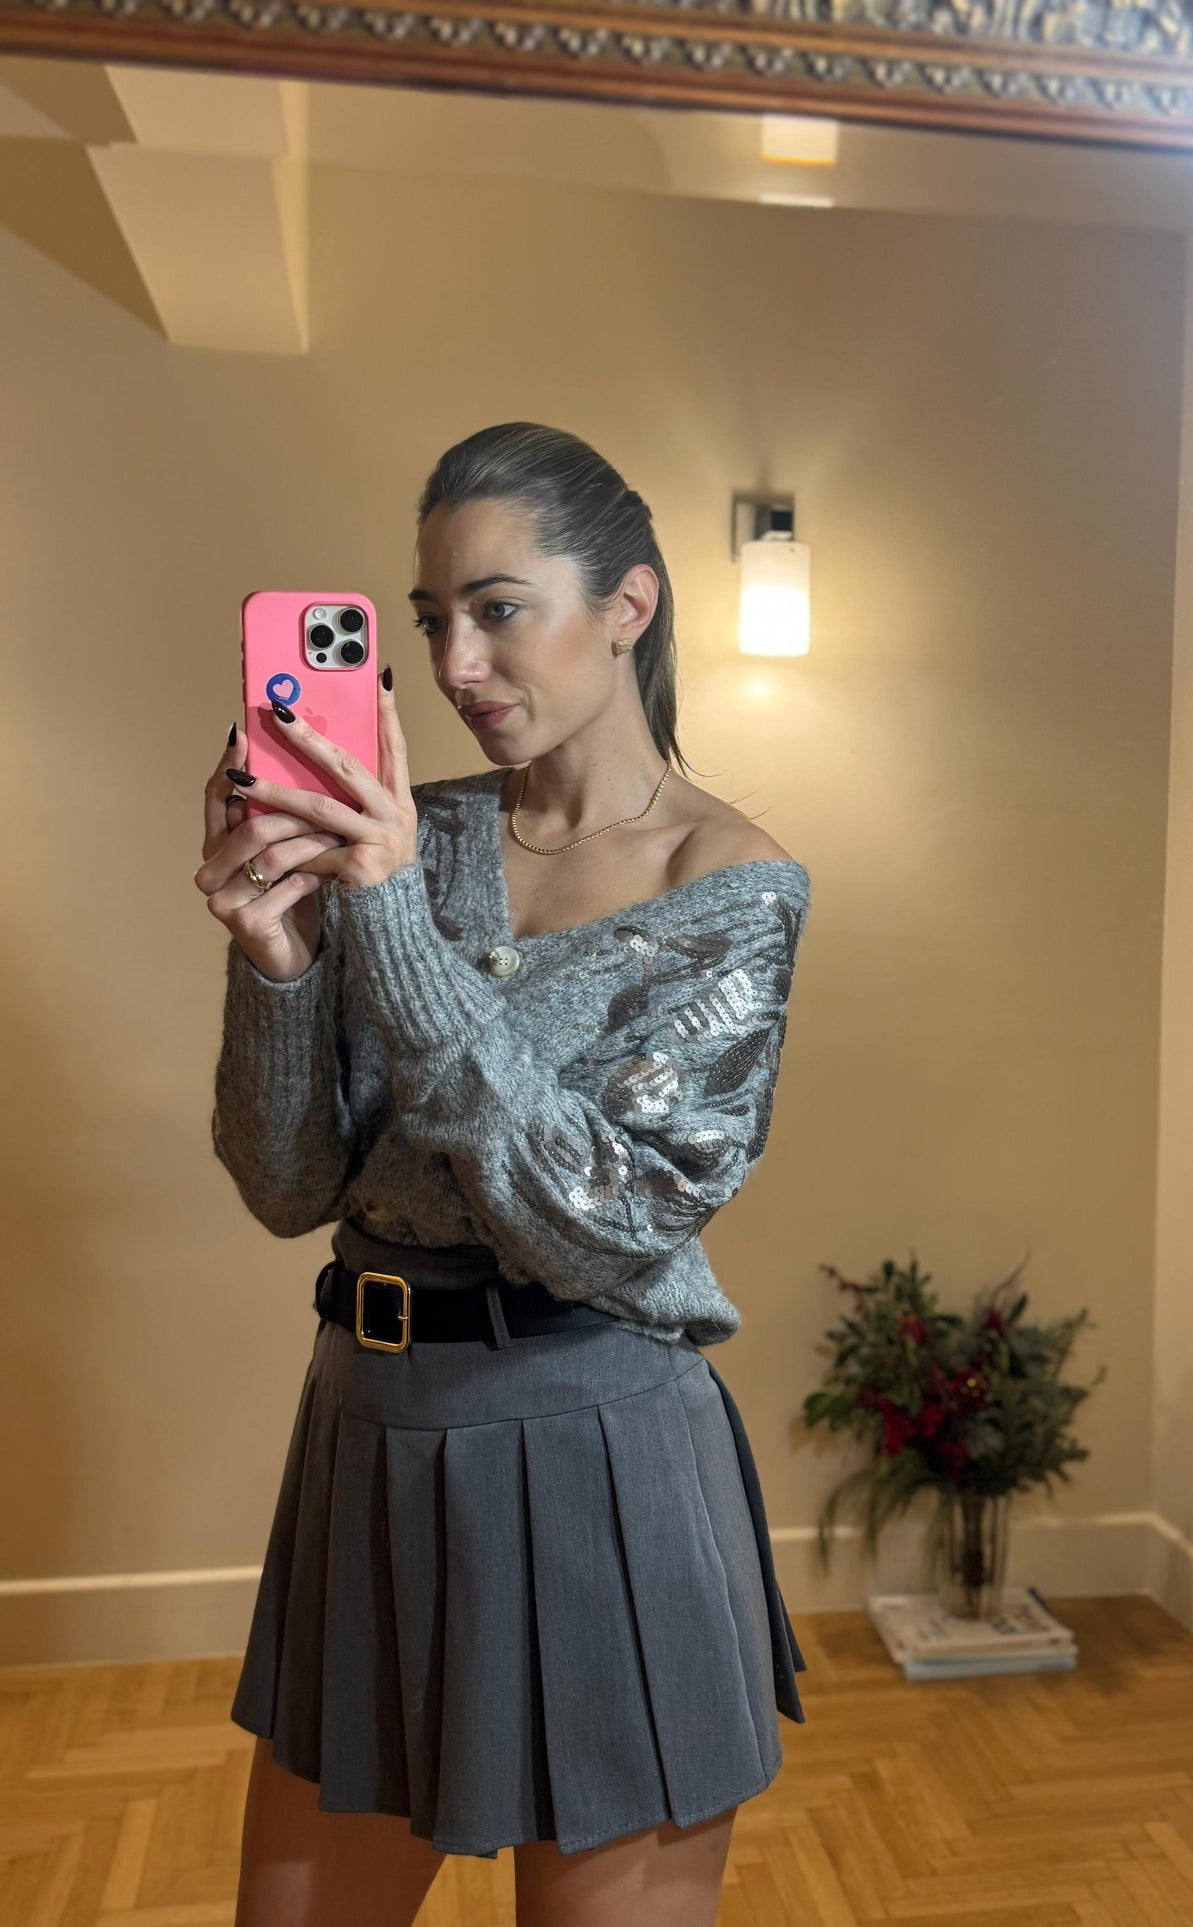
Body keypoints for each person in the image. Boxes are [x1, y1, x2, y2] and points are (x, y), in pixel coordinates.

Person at [193, 423, 812, 1927]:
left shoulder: (730, 889)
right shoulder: (419, 838)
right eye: (429, 622)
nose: (456, 664)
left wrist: (388, 916)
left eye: (497, 609)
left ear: (628, 603)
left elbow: (600, 1220)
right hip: (368, 1435)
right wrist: (276, 963)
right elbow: (288, 1185)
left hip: (598, 1450)